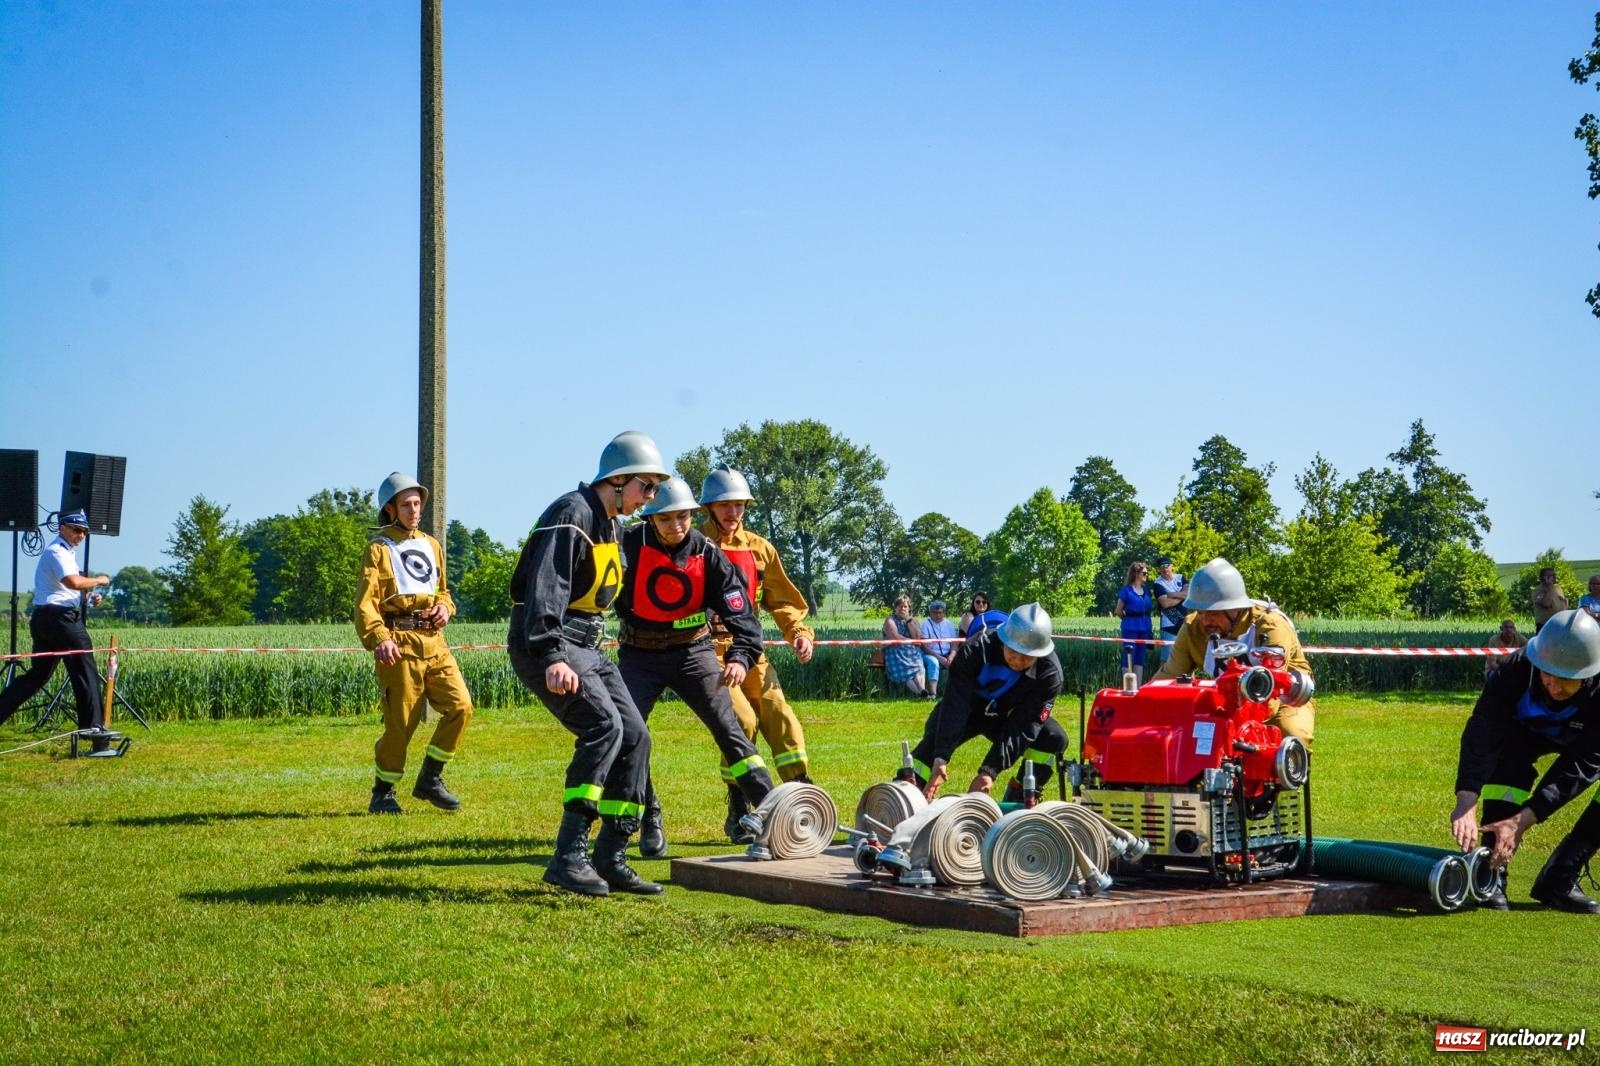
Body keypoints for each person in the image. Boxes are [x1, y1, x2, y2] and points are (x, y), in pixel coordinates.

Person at [507, 430, 669, 896]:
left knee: (636, 736)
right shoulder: (571, 514)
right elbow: (545, 589)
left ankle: (611, 856)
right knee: (604, 728)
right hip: (551, 645)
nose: (650, 498)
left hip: (589, 648)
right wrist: (553, 656)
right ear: (618, 481)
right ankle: (568, 856)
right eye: (646, 487)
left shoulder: (612, 523)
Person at [615, 477, 776, 858]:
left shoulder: (707, 552)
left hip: (694, 653)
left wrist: (738, 658)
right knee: (629, 734)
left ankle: (774, 814)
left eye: (684, 517)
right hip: (639, 656)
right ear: (651, 519)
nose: (677, 526)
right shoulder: (628, 544)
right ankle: (650, 816)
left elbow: (744, 617)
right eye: (667, 519)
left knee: (730, 730)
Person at [1450, 609, 1600, 913]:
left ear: (1586, 676)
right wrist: (1467, 799)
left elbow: (1580, 768)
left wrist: (1523, 822)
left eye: (1565, 681)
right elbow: (1483, 732)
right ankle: (1491, 872)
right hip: (1522, 735)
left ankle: (1560, 876)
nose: (1553, 686)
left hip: (1584, 741)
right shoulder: (1514, 670)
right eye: (1547, 674)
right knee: (1509, 764)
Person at [698, 464, 817, 844]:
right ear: (709, 508)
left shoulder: (760, 549)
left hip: (750, 650)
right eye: (726, 506)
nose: (734, 514)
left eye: (740, 506)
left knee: (781, 717)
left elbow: (781, 599)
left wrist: (798, 632)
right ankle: (740, 806)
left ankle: (803, 799)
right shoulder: (694, 544)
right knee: (742, 722)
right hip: (709, 651)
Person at [354, 473, 474, 814]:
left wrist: (445, 608)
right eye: (406, 504)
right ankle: (383, 792)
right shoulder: (378, 549)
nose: (414, 510)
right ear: (390, 508)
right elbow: (366, 602)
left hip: (435, 642)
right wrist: (380, 637)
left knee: (461, 706)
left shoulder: (431, 545)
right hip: (399, 644)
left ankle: (430, 779)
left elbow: (444, 591)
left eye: (417, 503)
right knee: (401, 724)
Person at [899, 602, 1069, 805]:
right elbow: (955, 703)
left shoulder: (1049, 674)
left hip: (1008, 716)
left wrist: (989, 771)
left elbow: (1025, 726)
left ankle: (1021, 796)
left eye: (1027, 657)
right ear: (1003, 640)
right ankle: (904, 795)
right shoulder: (975, 649)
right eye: (1014, 652)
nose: (1018, 661)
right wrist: (941, 756)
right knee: (932, 746)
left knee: (1054, 738)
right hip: (968, 708)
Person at [1154, 557, 1316, 748]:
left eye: (1213, 613)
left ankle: (1293, 773)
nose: (1205, 621)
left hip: (1285, 698)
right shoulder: (1192, 628)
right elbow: (1169, 676)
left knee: (1290, 737)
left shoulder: (1270, 626)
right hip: (1226, 697)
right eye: (1201, 612)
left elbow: (1270, 693)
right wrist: (1143, 703)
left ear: (1234, 608)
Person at [0, 512, 109, 733]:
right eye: (76, 530)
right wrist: (99, 580)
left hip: (44, 618)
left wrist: (88, 597)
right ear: (62, 528)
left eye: (84, 532)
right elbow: (72, 581)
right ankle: (93, 729)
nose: (81, 535)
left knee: (37, 676)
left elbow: (61, 590)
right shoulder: (57, 551)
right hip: (60, 619)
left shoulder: (65, 552)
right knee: (85, 669)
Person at [1112, 561, 1155, 685]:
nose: (1146, 575)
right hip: (1130, 629)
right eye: (1144, 573)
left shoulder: (1146, 590)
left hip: (1145, 628)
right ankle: (1129, 686)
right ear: (1136, 573)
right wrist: (1129, 620)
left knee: (1140, 657)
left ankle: (1138, 687)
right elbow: (1118, 611)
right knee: (1129, 657)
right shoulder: (1126, 591)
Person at [882, 595, 928, 698]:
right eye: (900, 606)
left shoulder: (912, 620)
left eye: (905, 606)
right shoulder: (890, 620)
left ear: (909, 608)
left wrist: (910, 622)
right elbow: (895, 636)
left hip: (911, 652)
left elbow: (917, 637)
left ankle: (922, 691)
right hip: (894, 651)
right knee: (907, 672)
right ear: (895, 608)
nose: (902, 608)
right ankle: (921, 693)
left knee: (918, 668)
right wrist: (911, 641)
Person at [1151, 556, 1188, 663]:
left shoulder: (1180, 577)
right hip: (1169, 624)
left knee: (1187, 657)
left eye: (1167, 565)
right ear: (1159, 569)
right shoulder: (1158, 583)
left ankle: (1189, 680)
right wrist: (1182, 596)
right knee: (1167, 660)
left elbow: (1189, 593)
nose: (1165, 568)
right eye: (1162, 566)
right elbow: (1165, 603)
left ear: (1172, 566)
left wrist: (1172, 594)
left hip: (1184, 622)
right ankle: (1163, 680)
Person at [921, 599, 958, 699]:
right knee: (934, 662)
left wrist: (951, 656)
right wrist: (939, 658)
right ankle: (933, 694)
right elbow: (924, 647)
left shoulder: (949, 624)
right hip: (930, 654)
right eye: (935, 613)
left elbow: (954, 644)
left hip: (947, 654)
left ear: (944, 613)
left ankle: (956, 693)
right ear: (930, 613)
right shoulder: (926, 625)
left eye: (940, 613)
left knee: (959, 662)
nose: (937, 615)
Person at [1533, 567, 1569, 634]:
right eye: (1549, 576)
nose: (1553, 577)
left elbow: (1564, 604)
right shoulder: (1537, 590)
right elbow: (1546, 603)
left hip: (1559, 624)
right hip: (1545, 625)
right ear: (1543, 577)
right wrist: (1550, 586)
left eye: (1553, 575)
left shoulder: (1558, 588)